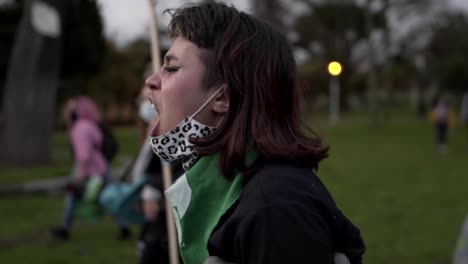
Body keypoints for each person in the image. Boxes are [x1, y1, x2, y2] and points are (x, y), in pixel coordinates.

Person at [145, 2, 365, 264]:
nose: (151, 80)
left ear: (223, 97)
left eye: (171, 67)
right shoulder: (223, 179)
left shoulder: (276, 207)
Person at [51, 96, 130, 240]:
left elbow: (84, 155)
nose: (67, 113)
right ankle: (124, 227)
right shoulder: (90, 124)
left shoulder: (79, 128)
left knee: (72, 196)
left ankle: (64, 229)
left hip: (89, 169)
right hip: (101, 166)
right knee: (108, 197)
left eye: (70, 110)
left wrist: (79, 174)